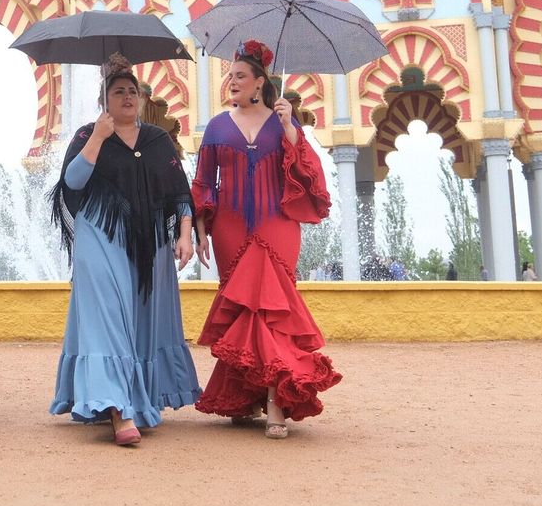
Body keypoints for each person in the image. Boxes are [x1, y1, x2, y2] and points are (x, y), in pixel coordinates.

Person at [192, 40, 341, 439]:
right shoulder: (217, 126)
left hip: (277, 225)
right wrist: (201, 227)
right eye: (230, 75)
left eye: (240, 75)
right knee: (243, 312)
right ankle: (244, 397)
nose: (231, 81)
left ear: (260, 82)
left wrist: (291, 128)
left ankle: (276, 400)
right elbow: (204, 181)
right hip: (230, 228)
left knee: (272, 313)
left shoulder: (284, 124)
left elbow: (310, 175)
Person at [49, 54, 200, 446]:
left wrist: (184, 234)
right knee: (108, 321)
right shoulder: (87, 135)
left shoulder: (156, 139)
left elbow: (178, 192)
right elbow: (73, 182)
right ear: (105, 99)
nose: (128, 97)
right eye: (119, 92)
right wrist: (99, 137)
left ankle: (135, 396)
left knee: (144, 322)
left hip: (150, 242)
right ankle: (120, 410)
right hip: (100, 236)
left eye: (132, 91)